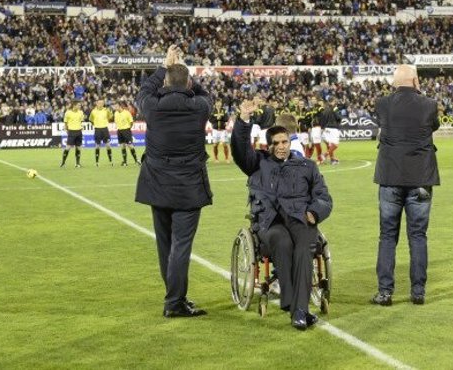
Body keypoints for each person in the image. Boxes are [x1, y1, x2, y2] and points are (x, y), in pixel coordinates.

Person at [231, 100, 332, 330]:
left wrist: (315, 212)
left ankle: (298, 310)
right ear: (268, 146)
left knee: (304, 249)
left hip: (301, 219)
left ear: (291, 141)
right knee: (283, 243)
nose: (281, 146)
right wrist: (244, 121)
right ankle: (297, 308)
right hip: (270, 221)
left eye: (284, 142)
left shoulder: (307, 166)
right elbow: (239, 150)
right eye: (275, 143)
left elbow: (324, 197)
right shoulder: (258, 163)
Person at [135, 45, 213, 319]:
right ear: (189, 82)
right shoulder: (199, 107)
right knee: (181, 246)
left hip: (157, 184)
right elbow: (206, 94)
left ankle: (175, 299)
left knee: (165, 245)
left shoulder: (153, 107)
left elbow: (143, 91)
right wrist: (185, 75)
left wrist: (165, 66)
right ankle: (174, 302)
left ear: (165, 82)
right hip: (189, 186)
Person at [371, 65, 440, 307]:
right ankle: (418, 291)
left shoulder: (382, 104)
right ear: (416, 80)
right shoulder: (429, 104)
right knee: (418, 236)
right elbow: (434, 126)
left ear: (394, 82)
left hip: (390, 177)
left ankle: (385, 292)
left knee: (387, 236)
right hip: (421, 178)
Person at [114, 101, 140, 166]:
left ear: (120, 106)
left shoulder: (126, 113)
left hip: (126, 130)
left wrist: (128, 129)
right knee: (122, 146)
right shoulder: (116, 113)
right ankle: (125, 162)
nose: (115, 107)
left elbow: (131, 122)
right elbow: (116, 121)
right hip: (119, 131)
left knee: (130, 146)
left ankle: (136, 160)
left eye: (116, 106)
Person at [60, 100, 85, 168]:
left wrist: (81, 128)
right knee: (68, 148)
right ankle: (63, 163)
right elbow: (65, 123)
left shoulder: (81, 112)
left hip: (79, 132)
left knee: (78, 148)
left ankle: (77, 163)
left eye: (80, 105)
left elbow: (81, 122)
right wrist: (66, 130)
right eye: (79, 105)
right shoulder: (68, 113)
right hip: (71, 132)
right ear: (74, 105)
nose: (80, 106)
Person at [90, 99, 114, 167]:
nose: (101, 104)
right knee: (97, 146)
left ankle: (110, 161)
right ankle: (97, 162)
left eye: (102, 103)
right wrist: (97, 125)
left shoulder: (106, 110)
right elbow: (91, 120)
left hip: (105, 129)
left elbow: (110, 117)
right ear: (96, 103)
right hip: (97, 129)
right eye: (99, 103)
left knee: (108, 146)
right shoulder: (93, 111)